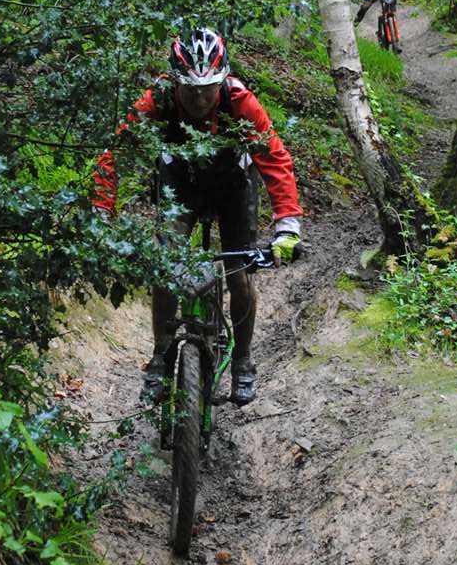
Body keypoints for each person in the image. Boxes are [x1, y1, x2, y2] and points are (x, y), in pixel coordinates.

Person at [93, 27, 302, 408]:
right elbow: (117, 152)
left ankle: (242, 361)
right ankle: (160, 357)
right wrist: (101, 212)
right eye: (191, 89)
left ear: (222, 80)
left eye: (209, 88)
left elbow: (274, 158)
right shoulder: (157, 98)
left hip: (233, 184)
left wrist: (287, 225)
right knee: (165, 266)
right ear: (175, 81)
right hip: (181, 182)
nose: (201, 98)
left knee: (239, 274)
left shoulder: (240, 100)